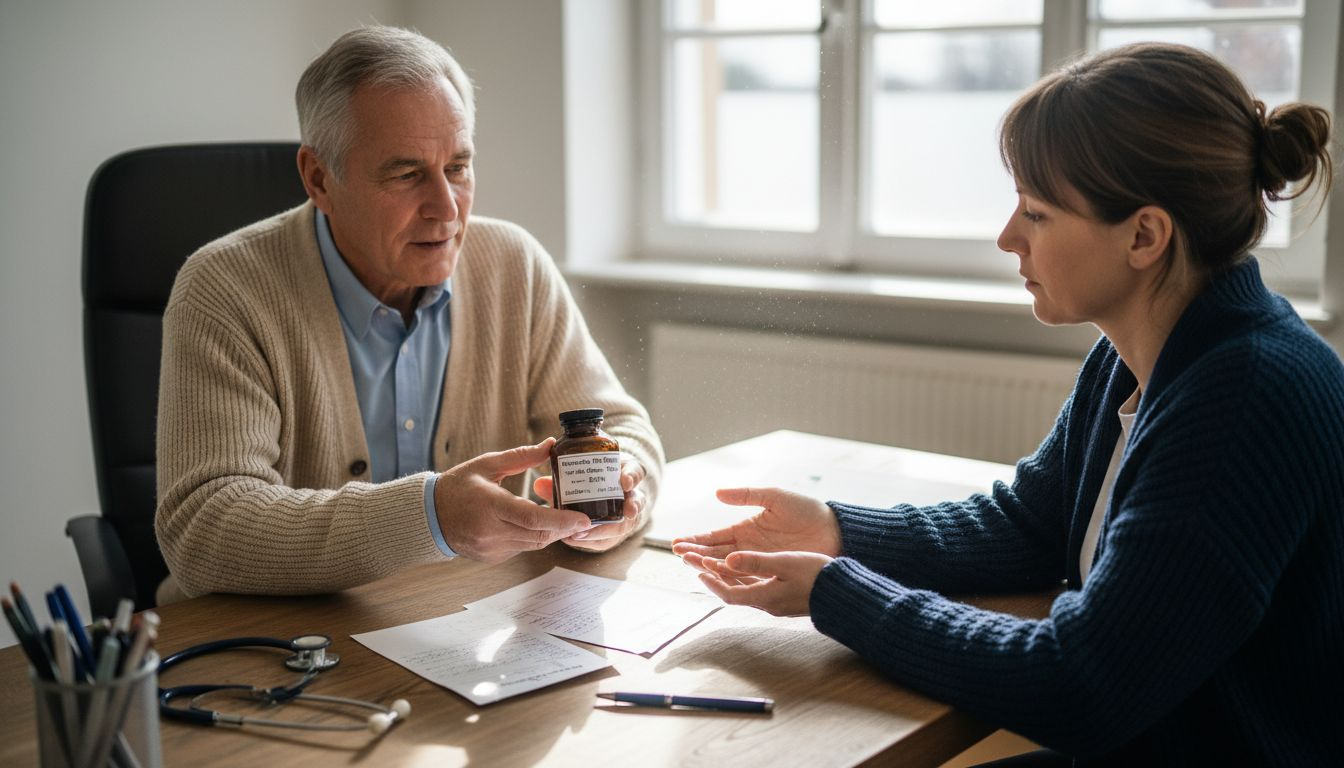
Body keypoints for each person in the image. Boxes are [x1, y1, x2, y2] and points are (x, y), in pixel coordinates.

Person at [673, 43, 1342, 764]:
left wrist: (838, 593)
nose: (1007, 238)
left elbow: (1081, 682)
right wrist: (838, 531)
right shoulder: (1144, 351)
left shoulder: (1245, 396)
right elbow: (1032, 524)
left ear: (1144, 236)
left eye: (1037, 212)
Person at [155, 26, 663, 602]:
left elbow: (623, 431)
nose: (446, 209)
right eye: (406, 174)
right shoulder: (224, 288)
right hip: (276, 647)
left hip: (463, 626)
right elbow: (202, 528)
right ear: (319, 178)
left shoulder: (513, 265)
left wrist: (621, 497)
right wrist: (430, 517)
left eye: (458, 168)